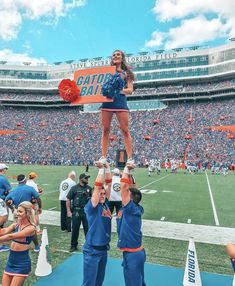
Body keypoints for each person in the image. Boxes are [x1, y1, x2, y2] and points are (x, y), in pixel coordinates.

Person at [99, 50, 135, 164]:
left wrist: (116, 90)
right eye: (114, 55)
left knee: (125, 130)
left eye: (118, 54)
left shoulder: (127, 73)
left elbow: (130, 90)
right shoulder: (105, 73)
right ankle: (103, 157)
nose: (115, 56)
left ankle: (129, 159)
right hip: (107, 102)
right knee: (105, 130)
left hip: (120, 102)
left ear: (122, 58)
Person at [82, 162, 112, 286]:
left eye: (104, 194)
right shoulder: (92, 207)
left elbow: (108, 185)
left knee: (99, 282)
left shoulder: (105, 205)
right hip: (92, 251)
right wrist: (101, 170)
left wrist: (108, 167)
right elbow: (98, 188)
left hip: (103, 249)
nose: (103, 195)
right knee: (89, 283)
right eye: (100, 194)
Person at [116, 162, 146, 286]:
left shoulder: (130, 208)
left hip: (133, 254)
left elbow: (123, 188)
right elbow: (131, 188)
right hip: (135, 252)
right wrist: (130, 174)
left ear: (131, 199)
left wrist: (127, 168)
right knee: (139, 282)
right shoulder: (135, 208)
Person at [0, 201, 36, 286]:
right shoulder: (16, 225)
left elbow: (11, 236)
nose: (17, 214)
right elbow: (4, 231)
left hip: (22, 262)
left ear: (27, 213)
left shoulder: (31, 228)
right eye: (17, 211)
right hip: (11, 260)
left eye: (20, 212)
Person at [5, 174, 41, 252]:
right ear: (25, 180)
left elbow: (6, 200)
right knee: (32, 229)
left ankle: (16, 245)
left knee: (17, 228)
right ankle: (37, 246)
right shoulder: (30, 188)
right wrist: (40, 208)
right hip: (27, 211)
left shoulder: (13, 190)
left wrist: (11, 208)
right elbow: (38, 198)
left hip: (17, 211)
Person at [66, 173, 92, 252]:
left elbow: (93, 200)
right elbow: (68, 199)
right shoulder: (74, 188)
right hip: (76, 211)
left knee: (88, 229)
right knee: (75, 229)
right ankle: (73, 245)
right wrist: (68, 210)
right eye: (86, 178)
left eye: (87, 178)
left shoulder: (89, 188)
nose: (87, 179)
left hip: (86, 212)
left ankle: (89, 245)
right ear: (81, 179)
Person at [0, 163, 11, 252]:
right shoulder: (3, 179)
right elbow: (9, 190)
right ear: (3, 170)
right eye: (5, 169)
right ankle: (2, 244)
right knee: (2, 221)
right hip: (1, 201)